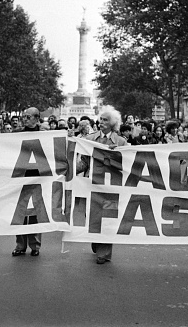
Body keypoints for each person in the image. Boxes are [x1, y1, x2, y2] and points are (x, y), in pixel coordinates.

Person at [76, 105, 127, 264]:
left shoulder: (121, 142)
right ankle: (97, 240)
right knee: (92, 217)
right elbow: (84, 163)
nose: (101, 122)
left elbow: (126, 166)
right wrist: (70, 170)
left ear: (113, 123)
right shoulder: (90, 139)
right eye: (101, 119)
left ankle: (104, 254)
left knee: (108, 220)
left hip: (111, 188)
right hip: (91, 186)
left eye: (105, 120)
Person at [11, 107, 42, 257]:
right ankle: (20, 245)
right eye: (24, 116)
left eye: (28, 117)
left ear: (37, 118)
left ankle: (35, 245)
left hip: (39, 178)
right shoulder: (16, 134)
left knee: (36, 213)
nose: (25, 119)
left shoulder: (46, 134)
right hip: (20, 177)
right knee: (20, 212)